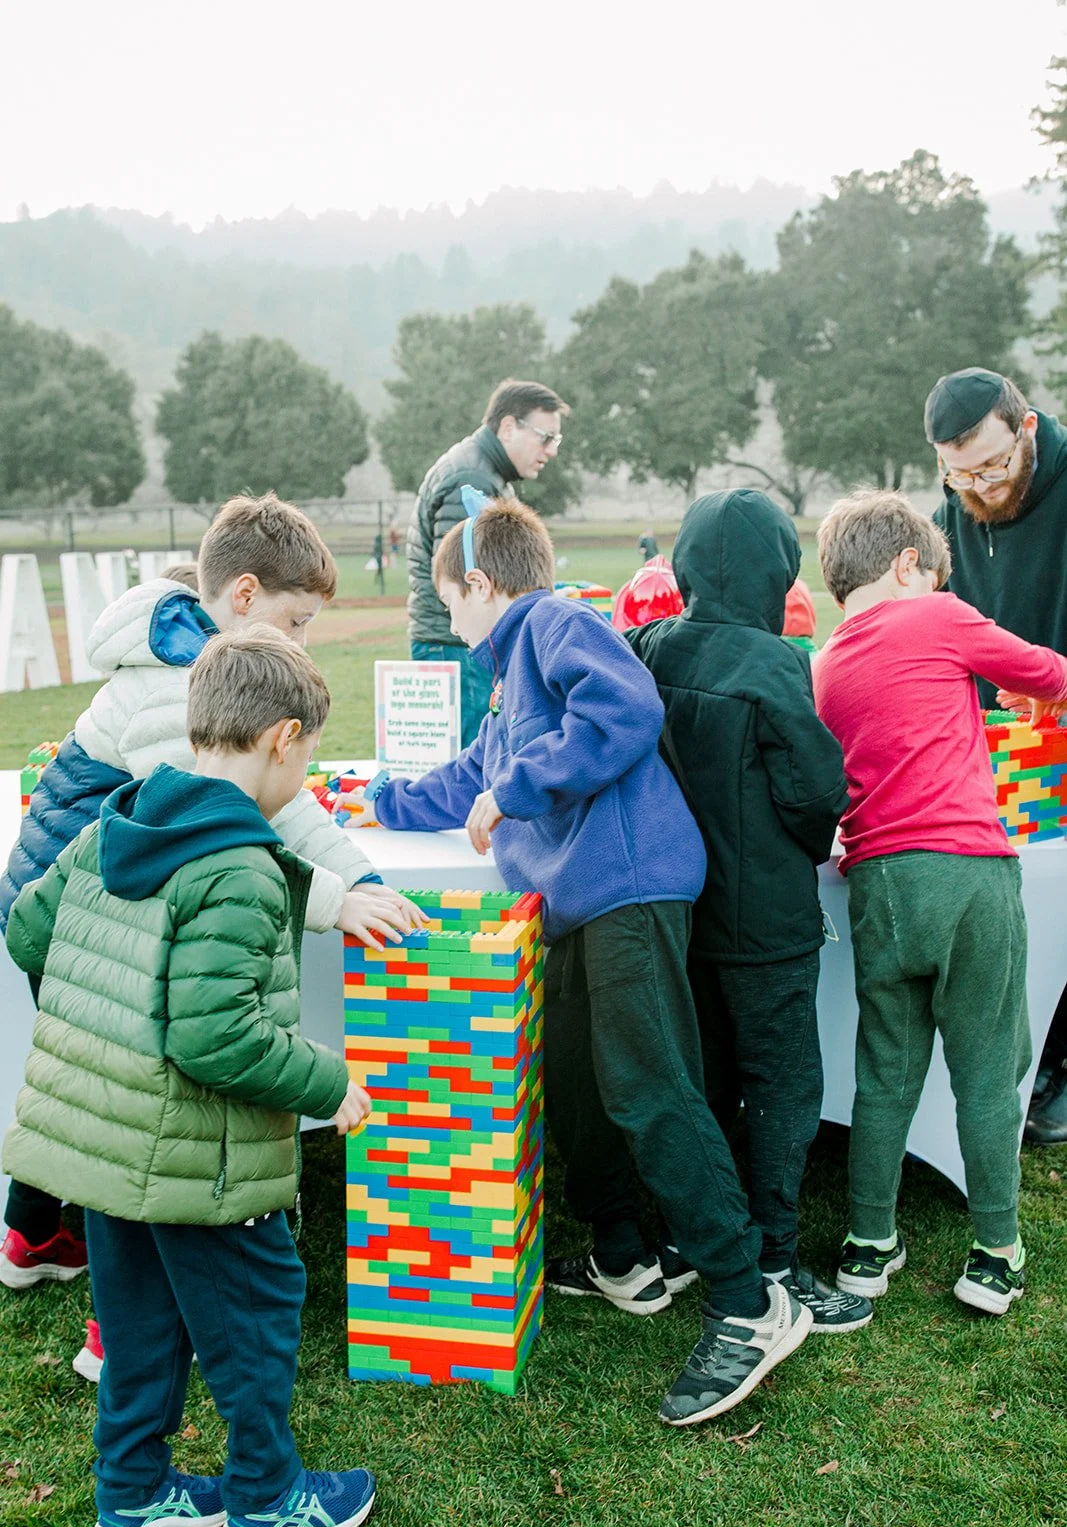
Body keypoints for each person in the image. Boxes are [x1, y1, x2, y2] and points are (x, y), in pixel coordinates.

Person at [353, 492, 813, 1427]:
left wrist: (515, 788)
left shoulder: (552, 620)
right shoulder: (508, 676)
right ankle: (623, 1254)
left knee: (651, 1089)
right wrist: (375, 801)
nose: (453, 624)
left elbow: (623, 709)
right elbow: (474, 773)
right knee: (570, 1078)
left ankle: (748, 1299)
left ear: (482, 584)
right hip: (572, 904)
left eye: (450, 604)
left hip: (628, 888)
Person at [0, 492, 420, 1379]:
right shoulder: (176, 686)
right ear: (241, 596)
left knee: (96, 1093)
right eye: (294, 622)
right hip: (96, 915)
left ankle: (31, 1237)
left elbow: (282, 806)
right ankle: (118, 1335)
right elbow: (218, 845)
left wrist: (360, 885)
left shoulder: (203, 665)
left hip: (88, 908)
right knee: (136, 1117)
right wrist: (335, 898)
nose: (298, 644)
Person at [3, 628, 378, 1527]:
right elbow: (215, 1037)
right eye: (309, 756)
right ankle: (264, 1497)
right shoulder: (239, 868)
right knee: (255, 1306)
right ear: (283, 739)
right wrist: (328, 1083)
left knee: (138, 1319)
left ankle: (129, 1496)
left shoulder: (114, 822)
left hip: (108, 1147)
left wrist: (116, 1023)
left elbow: (29, 927)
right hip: (202, 1155)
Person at [812, 490, 1067, 1315]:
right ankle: (994, 1249)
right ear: (907, 565)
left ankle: (866, 1242)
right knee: (989, 1071)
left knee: (882, 1076)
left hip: (879, 886)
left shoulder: (821, 665)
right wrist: (1037, 695)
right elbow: (1046, 672)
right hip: (966, 872)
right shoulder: (937, 616)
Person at [628, 489, 869, 1333]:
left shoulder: (651, 646)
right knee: (782, 1088)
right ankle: (771, 1254)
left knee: (706, 1078)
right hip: (764, 919)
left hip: (679, 909)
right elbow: (816, 791)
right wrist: (801, 843)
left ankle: (697, 1235)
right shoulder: (773, 663)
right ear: (778, 569)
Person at [926, 367, 1067, 1143]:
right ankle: (1026, 1049)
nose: (978, 484)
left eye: (991, 466)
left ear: (1027, 430)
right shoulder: (957, 497)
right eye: (959, 472)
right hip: (995, 737)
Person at [406, 378, 569, 746]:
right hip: (457, 645)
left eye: (556, 440)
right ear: (508, 427)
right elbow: (460, 580)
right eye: (546, 437)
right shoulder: (472, 477)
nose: (552, 450)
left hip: (458, 643)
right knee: (474, 764)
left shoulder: (485, 471)